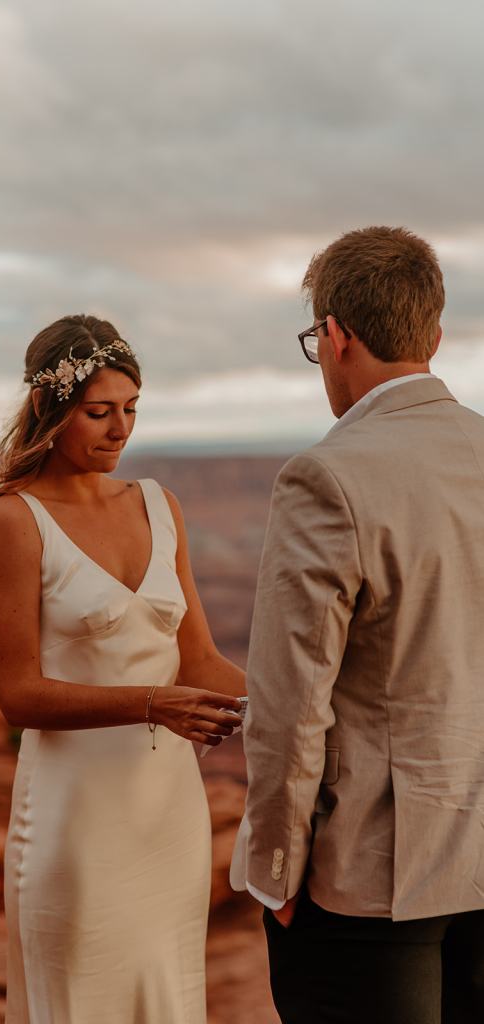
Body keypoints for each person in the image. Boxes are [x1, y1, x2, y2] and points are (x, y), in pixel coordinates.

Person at [234, 226, 484, 1023]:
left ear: (336, 336)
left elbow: (289, 705)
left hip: (375, 881)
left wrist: (275, 868)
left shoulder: (328, 476)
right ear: (434, 335)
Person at [0, 314, 245, 1024]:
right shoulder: (13, 521)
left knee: (168, 996)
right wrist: (153, 704)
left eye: (130, 410)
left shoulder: (159, 504)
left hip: (168, 813)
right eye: (99, 413)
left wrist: (308, 702)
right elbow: (18, 695)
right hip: (78, 817)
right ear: (49, 409)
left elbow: (201, 660)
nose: (119, 430)